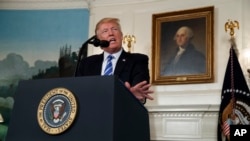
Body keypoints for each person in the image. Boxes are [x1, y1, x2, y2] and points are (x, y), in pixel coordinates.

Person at [76, 17, 153, 103]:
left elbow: (139, 90)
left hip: (123, 113)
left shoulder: (138, 60)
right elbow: (79, 92)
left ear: (121, 36)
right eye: (105, 31)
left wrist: (131, 96)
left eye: (114, 29)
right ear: (98, 41)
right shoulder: (87, 63)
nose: (111, 33)